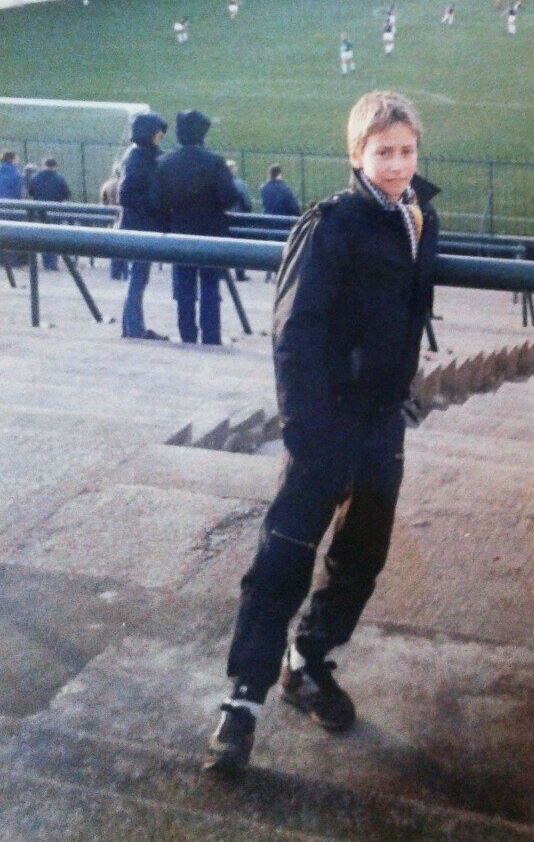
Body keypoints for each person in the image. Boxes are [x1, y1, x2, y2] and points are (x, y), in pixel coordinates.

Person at [204, 90, 439, 777]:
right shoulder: (333, 221)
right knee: (284, 552)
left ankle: (306, 661)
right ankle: (241, 700)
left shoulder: (421, 216)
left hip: (383, 418)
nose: (396, 164)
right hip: (327, 418)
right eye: (383, 151)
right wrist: (307, 430)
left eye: (406, 151)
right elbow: (294, 331)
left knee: (363, 551)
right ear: (356, 154)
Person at [152, 111, 239, 346]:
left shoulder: (165, 163)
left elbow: (157, 201)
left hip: (179, 231)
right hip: (211, 231)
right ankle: (211, 335)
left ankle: (187, 334)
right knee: (210, 286)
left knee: (183, 287)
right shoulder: (214, 162)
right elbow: (229, 197)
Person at [119, 114, 169, 339]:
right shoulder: (138, 157)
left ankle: (132, 327)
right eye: (158, 132)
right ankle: (133, 329)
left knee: (138, 278)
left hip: (140, 224)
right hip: (139, 226)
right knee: (138, 277)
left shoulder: (140, 155)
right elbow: (125, 195)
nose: (160, 136)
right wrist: (154, 203)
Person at [27, 157, 71, 270]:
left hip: (40, 211)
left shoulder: (35, 177)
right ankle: (52, 263)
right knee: (54, 236)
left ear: (43, 165)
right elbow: (66, 193)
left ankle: (46, 261)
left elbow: (30, 192)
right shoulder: (59, 178)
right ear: (55, 166)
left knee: (42, 236)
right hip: (55, 210)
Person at [100, 163, 129, 281]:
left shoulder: (107, 185)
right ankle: (126, 272)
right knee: (127, 247)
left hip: (112, 219)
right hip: (125, 217)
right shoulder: (127, 184)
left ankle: (114, 273)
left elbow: (103, 202)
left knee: (114, 247)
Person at [227, 160, 253, 281]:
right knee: (239, 246)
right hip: (238, 219)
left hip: (225, 219)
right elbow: (247, 203)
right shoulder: (240, 184)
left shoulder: (222, 183)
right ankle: (240, 272)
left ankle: (223, 271)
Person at [0, 150, 23, 269]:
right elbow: (17, 193)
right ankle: (10, 261)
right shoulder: (15, 174)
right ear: (13, 159)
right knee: (10, 235)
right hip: (10, 207)